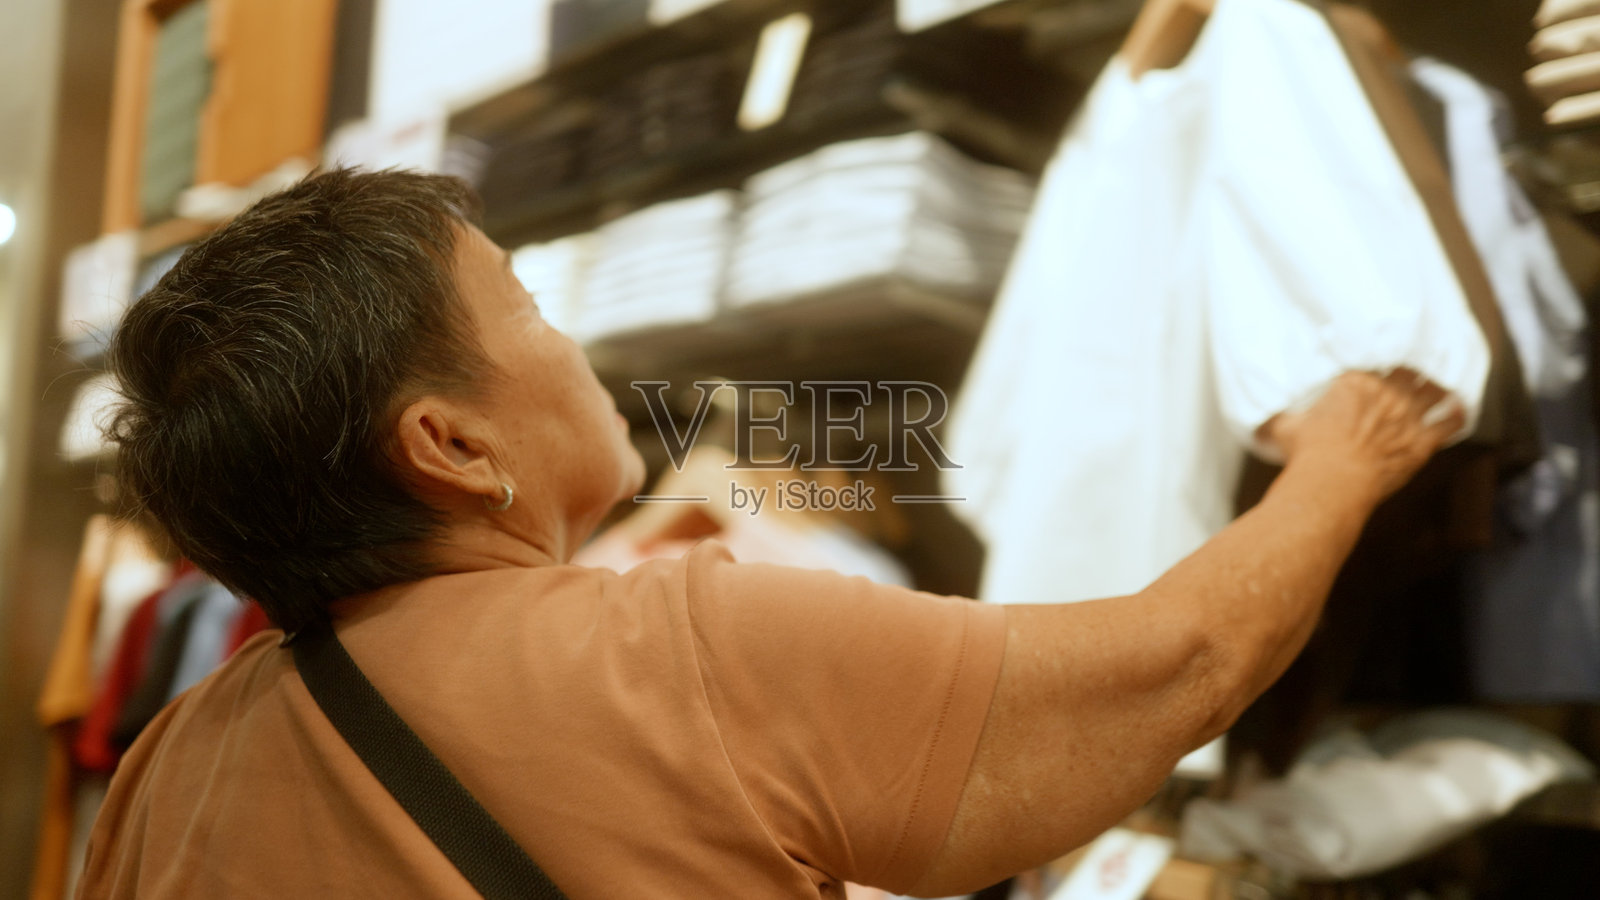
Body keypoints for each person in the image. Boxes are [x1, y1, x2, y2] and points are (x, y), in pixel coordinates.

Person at [76, 169, 1462, 898]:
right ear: (453, 447)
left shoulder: (170, 763)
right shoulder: (675, 641)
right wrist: (1345, 461)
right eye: (533, 316)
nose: (577, 348)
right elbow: (1181, 662)